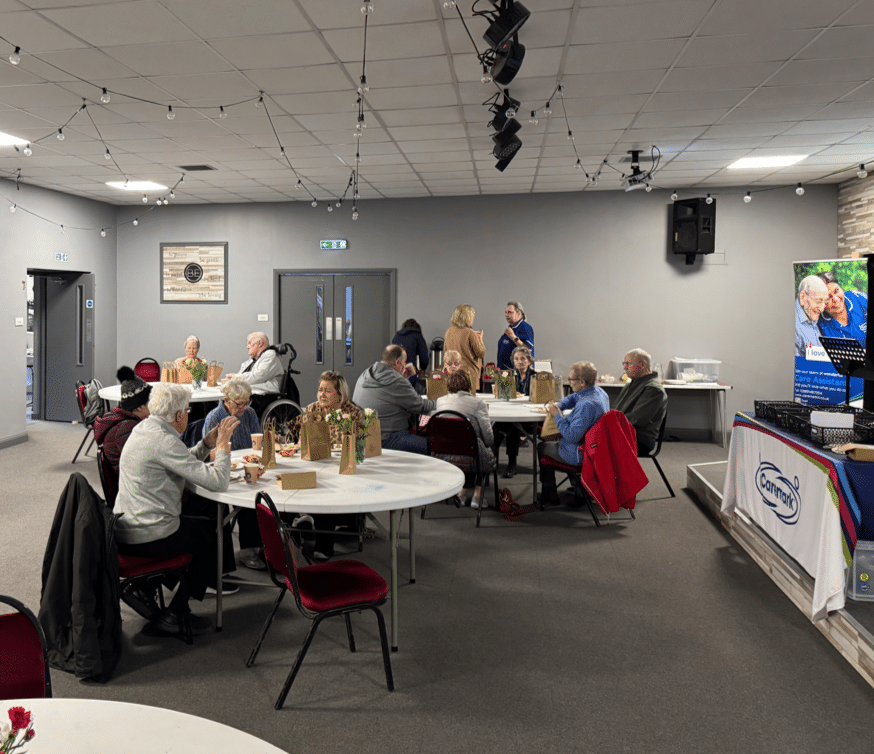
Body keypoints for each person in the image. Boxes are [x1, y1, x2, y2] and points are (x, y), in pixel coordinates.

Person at [115, 383, 240, 635]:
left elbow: (181, 461)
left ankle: (147, 587)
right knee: (209, 538)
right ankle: (176, 613)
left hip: (125, 527)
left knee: (199, 527)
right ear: (180, 415)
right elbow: (218, 482)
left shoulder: (146, 429)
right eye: (188, 410)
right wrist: (224, 446)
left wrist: (206, 443)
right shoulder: (163, 441)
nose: (189, 414)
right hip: (147, 535)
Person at [292, 371, 365, 560]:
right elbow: (300, 443)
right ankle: (296, 532)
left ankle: (323, 545)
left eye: (327, 391)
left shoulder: (354, 413)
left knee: (328, 493)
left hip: (343, 468)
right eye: (320, 390)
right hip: (315, 464)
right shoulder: (311, 410)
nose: (321, 394)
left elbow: (361, 446)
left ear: (340, 395)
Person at [203, 377, 263, 570]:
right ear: (227, 400)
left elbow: (256, 442)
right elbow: (208, 453)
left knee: (261, 492)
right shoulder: (214, 417)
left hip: (247, 465)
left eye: (247, 402)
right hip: (223, 469)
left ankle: (268, 547)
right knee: (248, 498)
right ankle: (248, 551)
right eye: (239, 404)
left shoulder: (250, 413)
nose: (244, 408)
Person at [538, 361, 609, 506]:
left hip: (580, 454)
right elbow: (574, 397)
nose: (569, 382)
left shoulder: (586, 406)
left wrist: (557, 415)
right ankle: (580, 489)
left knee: (542, 447)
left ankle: (550, 494)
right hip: (596, 449)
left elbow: (571, 436)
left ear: (581, 382)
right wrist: (560, 405)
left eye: (571, 379)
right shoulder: (598, 392)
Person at [353, 345, 436, 454]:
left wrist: (404, 379)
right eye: (404, 361)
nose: (405, 365)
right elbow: (420, 406)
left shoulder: (365, 374)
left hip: (365, 437)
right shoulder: (397, 381)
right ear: (398, 363)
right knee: (434, 446)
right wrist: (441, 402)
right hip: (388, 438)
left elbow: (394, 396)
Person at [433, 371, 496, 509]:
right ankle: (477, 497)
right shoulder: (478, 403)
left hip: (442, 454)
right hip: (471, 456)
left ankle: (461, 494)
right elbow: (489, 439)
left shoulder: (440, 401)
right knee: (481, 448)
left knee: (467, 446)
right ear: (469, 384)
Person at [94, 366, 151, 476]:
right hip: (131, 487)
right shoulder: (127, 429)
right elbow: (142, 465)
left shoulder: (124, 420)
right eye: (151, 401)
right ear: (139, 408)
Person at [614, 349, 668, 456]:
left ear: (642, 365)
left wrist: (609, 424)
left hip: (639, 439)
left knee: (595, 443)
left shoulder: (653, 389)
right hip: (624, 432)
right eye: (624, 364)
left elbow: (637, 419)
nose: (625, 367)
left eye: (628, 364)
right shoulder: (631, 385)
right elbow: (617, 411)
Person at [492, 346, 535, 478]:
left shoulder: (536, 376)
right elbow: (503, 398)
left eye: (523, 358)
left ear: (529, 360)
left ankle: (509, 462)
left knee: (512, 425)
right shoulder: (507, 375)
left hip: (529, 416)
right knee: (504, 423)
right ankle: (499, 461)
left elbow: (537, 398)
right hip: (511, 413)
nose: (519, 361)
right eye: (516, 359)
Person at [226, 332, 284, 416]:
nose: (247, 347)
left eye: (249, 343)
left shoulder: (270, 356)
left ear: (259, 343)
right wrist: (233, 380)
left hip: (264, 395)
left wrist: (235, 378)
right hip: (253, 391)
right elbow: (242, 374)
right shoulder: (253, 359)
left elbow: (257, 376)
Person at [817, 271, 869, 347]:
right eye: (828, 297)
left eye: (836, 291)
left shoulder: (858, 298)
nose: (835, 299)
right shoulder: (817, 321)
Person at [444, 304, 486, 391]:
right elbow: (481, 353)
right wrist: (480, 339)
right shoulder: (470, 333)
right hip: (468, 375)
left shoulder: (449, 331)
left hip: (452, 373)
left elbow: (445, 352)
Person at [795, 275, 828, 356]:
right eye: (818, 301)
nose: (822, 309)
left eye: (825, 302)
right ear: (803, 297)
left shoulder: (810, 315)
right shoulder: (792, 326)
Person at [496, 301, 534, 370]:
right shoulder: (511, 328)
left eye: (510, 312)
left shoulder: (525, 327)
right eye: (506, 312)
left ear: (519, 314)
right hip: (504, 372)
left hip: (517, 374)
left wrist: (514, 338)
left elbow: (528, 349)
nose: (507, 315)